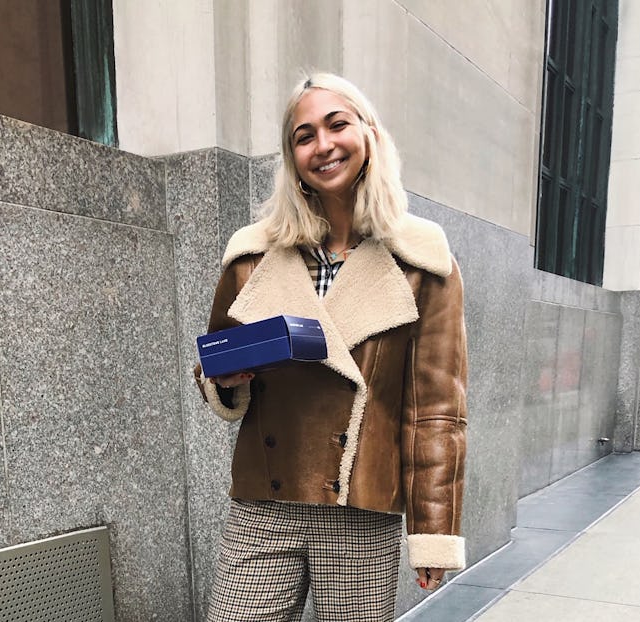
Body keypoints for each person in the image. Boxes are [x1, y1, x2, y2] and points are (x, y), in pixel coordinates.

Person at [194, 72, 468, 622]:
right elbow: (213, 357)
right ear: (292, 157)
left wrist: (433, 530)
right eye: (303, 135)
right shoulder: (252, 254)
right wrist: (222, 380)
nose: (322, 145)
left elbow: (436, 411)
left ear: (368, 132)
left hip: (360, 505)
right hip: (263, 500)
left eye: (336, 124)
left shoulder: (423, 260)